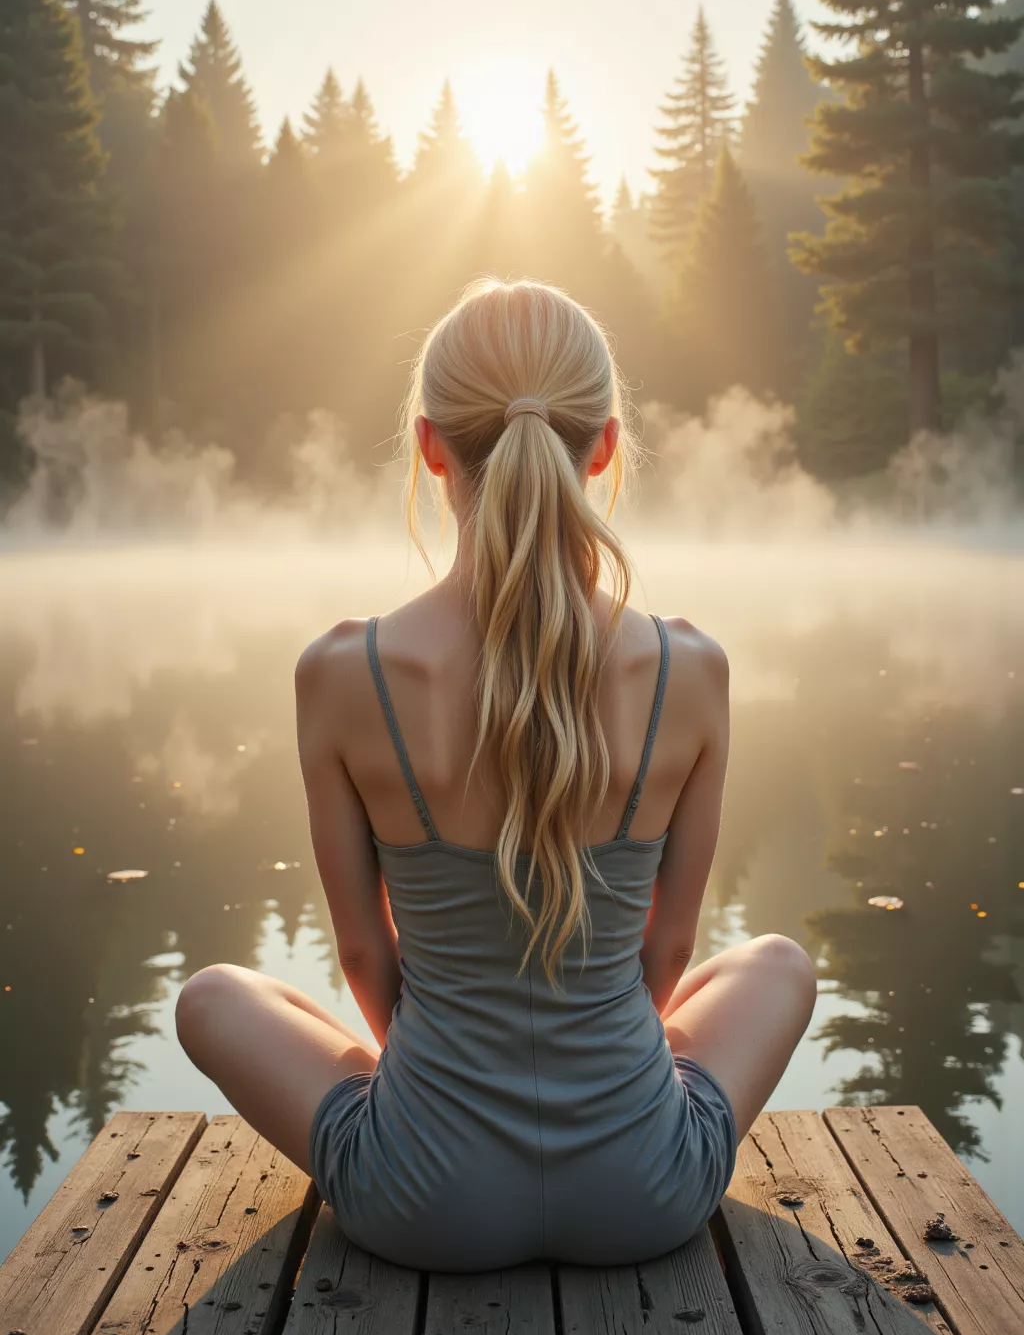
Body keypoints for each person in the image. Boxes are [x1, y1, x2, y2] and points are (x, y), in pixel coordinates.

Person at [175, 277, 816, 1272]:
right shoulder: (692, 668)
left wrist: (457, 1108)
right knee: (776, 963)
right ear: (602, 445)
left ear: (431, 447)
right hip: (644, 1191)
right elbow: (671, 943)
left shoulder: (342, 673)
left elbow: (361, 952)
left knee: (213, 995)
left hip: (420, 1203)